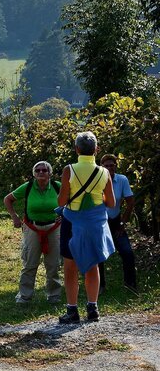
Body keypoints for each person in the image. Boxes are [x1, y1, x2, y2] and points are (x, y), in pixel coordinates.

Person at [57, 131, 116, 324]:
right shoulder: (104, 172)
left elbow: (62, 200)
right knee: (93, 264)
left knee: (70, 267)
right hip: (96, 224)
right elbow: (111, 203)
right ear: (96, 150)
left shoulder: (69, 170)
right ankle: (93, 308)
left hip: (72, 222)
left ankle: (72, 310)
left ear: (76, 149)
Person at [3, 161, 62, 304]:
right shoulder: (28, 187)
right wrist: (15, 217)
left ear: (50, 173)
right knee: (29, 263)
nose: (41, 172)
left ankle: (54, 296)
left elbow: (72, 200)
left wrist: (65, 214)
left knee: (53, 264)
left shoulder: (57, 186)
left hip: (54, 228)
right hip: (32, 228)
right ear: (34, 173)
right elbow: (8, 199)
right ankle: (24, 296)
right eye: (38, 170)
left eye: (44, 170)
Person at [97, 154, 137, 292]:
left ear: (115, 166)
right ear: (101, 167)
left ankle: (130, 284)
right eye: (106, 166)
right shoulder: (97, 181)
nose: (109, 168)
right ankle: (100, 285)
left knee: (127, 252)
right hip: (100, 221)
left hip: (116, 221)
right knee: (99, 254)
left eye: (111, 165)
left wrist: (123, 222)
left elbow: (130, 201)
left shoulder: (122, 180)